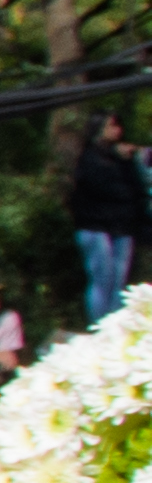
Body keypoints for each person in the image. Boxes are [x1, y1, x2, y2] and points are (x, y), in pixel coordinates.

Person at [73, 113, 146, 329]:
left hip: (122, 226)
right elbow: (96, 185)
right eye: (111, 126)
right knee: (102, 279)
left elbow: (136, 187)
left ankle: (115, 325)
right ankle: (99, 324)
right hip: (96, 225)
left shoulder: (122, 157)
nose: (117, 131)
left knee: (118, 281)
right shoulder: (89, 157)